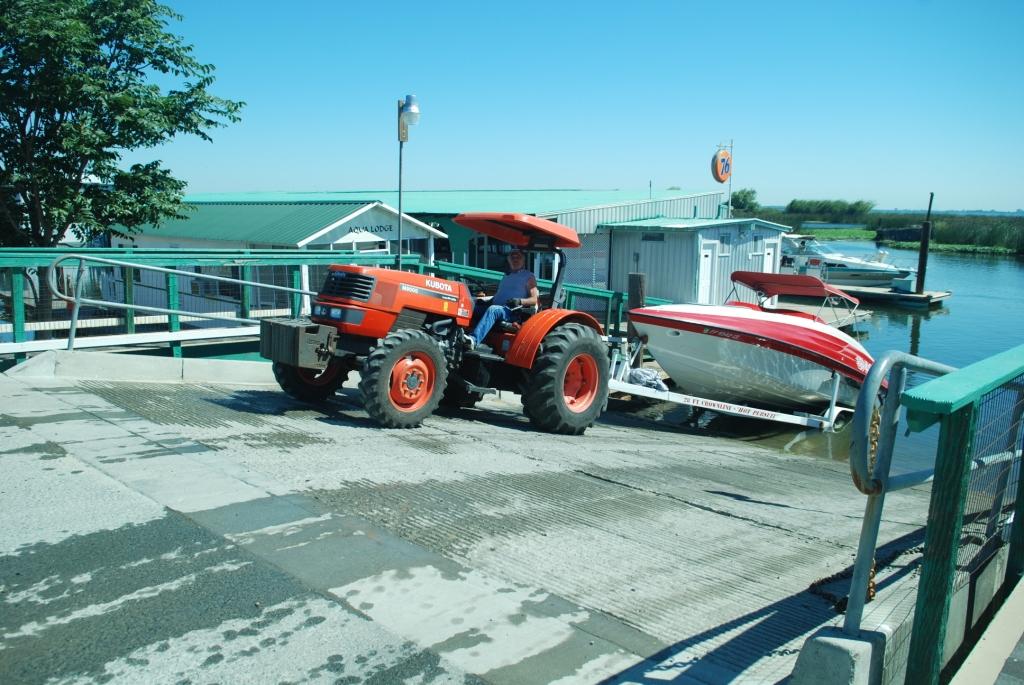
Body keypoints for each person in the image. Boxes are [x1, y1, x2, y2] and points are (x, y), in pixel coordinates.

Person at [467, 248, 539, 348]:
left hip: (511, 312)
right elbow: (500, 295)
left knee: (493, 310)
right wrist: (486, 301)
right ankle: (458, 334)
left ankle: (473, 340)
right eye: (512, 256)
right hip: (498, 308)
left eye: (518, 256)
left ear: (523, 260)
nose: (515, 259)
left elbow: (534, 299)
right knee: (469, 305)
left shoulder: (529, 276)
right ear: (508, 259)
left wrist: (519, 301)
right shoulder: (506, 275)